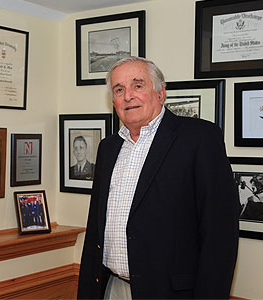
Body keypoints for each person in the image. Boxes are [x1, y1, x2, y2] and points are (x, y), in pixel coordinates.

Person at [77, 57, 239, 299]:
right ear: (113, 101)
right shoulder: (108, 147)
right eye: (119, 89)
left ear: (160, 93)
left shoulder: (199, 139)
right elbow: (95, 229)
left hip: (171, 293)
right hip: (111, 288)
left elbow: (219, 235)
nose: (128, 96)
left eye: (138, 85)